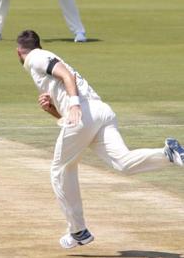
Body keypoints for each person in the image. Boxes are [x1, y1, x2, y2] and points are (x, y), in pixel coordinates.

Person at [16, 29, 183, 249]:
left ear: (19, 51)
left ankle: (77, 231)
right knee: (124, 163)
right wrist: (54, 111)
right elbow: (66, 99)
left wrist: (74, 104)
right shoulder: (41, 67)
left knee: (60, 169)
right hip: (100, 112)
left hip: (85, 112)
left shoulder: (36, 57)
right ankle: (167, 154)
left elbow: (66, 74)